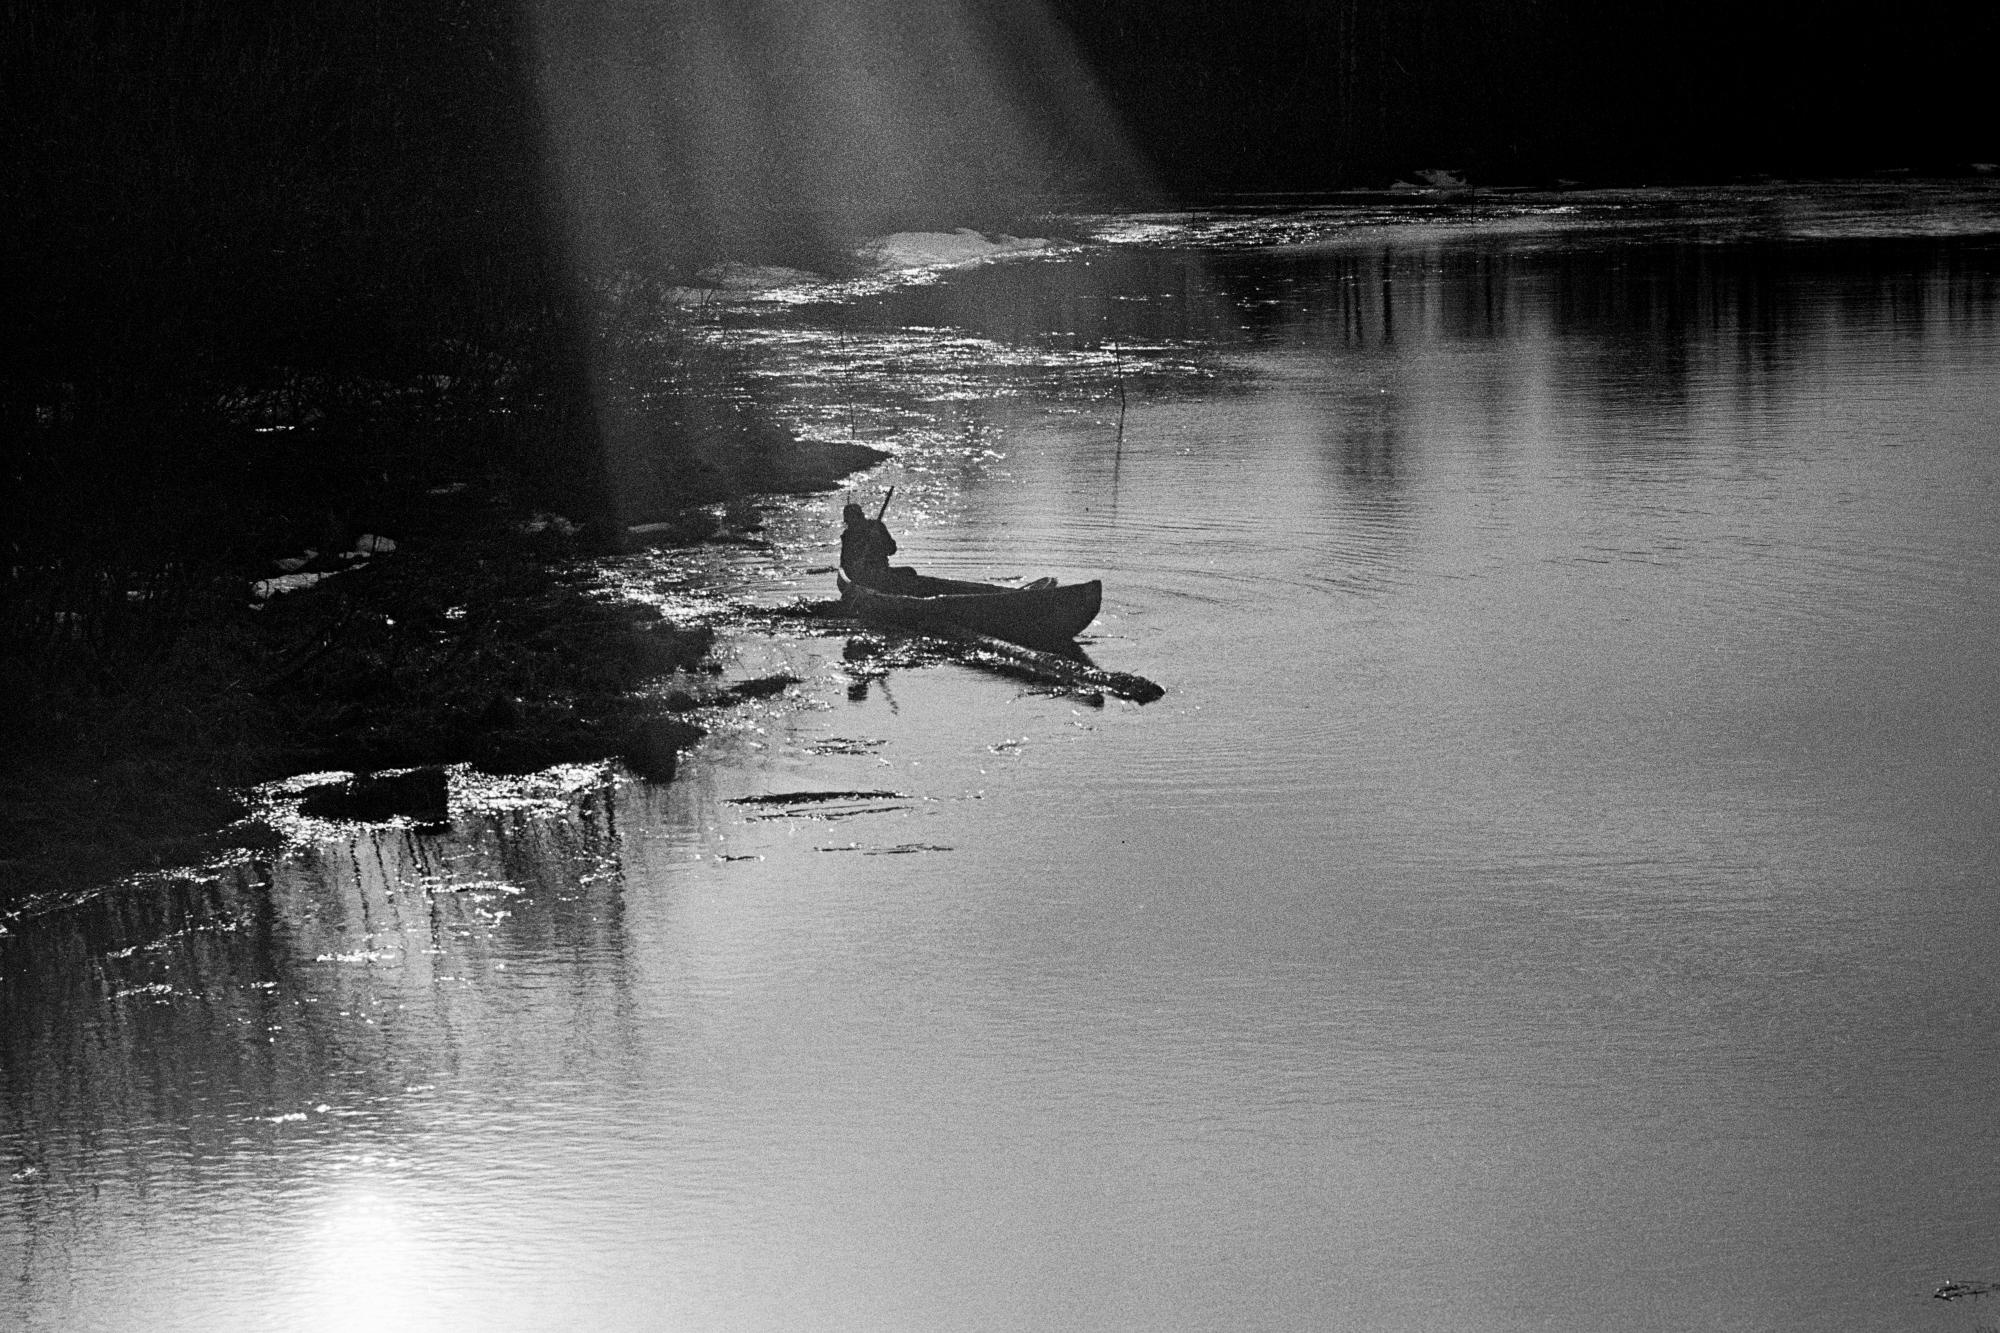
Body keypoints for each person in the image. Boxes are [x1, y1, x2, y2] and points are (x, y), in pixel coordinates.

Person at [840, 502, 898, 584]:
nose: (851, 523)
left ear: (861, 516)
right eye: (850, 520)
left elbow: (892, 550)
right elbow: (845, 563)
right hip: (863, 576)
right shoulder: (848, 535)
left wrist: (879, 539)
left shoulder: (877, 527)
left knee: (909, 571)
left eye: (854, 518)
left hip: (882, 571)